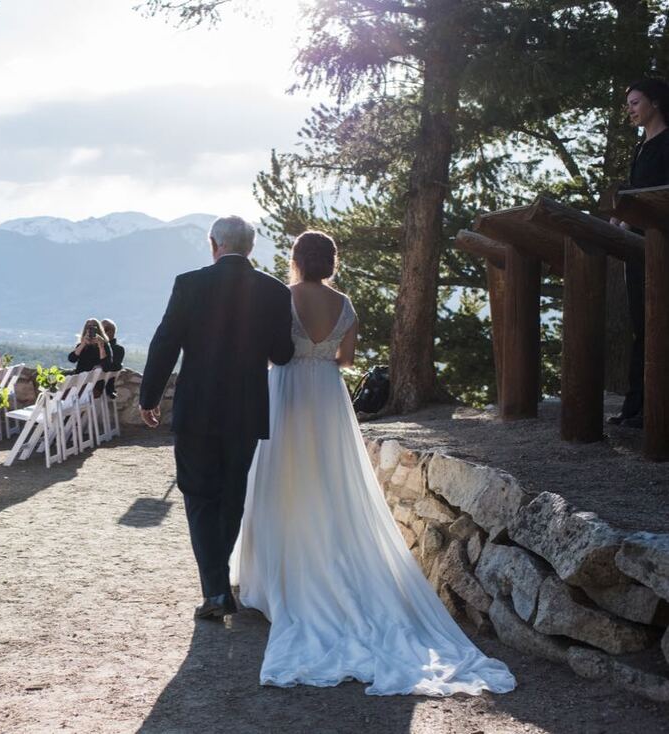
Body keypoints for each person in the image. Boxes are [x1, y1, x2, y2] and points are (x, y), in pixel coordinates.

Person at [233, 231, 515, 695]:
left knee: (281, 478)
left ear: (297, 260)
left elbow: (270, 351)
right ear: (331, 263)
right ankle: (327, 565)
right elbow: (346, 359)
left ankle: (274, 575)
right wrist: (319, 357)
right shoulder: (345, 305)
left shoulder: (282, 298)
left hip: (286, 393)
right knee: (332, 483)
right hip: (327, 396)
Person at [139, 215, 295, 620]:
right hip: (246, 407)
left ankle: (215, 590)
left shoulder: (189, 284)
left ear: (214, 244)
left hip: (198, 405)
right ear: (250, 247)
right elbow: (282, 354)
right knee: (231, 494)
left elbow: (166, 341)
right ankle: (218, 584)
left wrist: (149, 395)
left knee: (198, 493)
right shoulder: (275, 291)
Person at [610, 77, 669, 429]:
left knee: (660, 323)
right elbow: (636, 192)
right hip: (639, 249)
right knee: (641, 326)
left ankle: (654, 410)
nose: (630, 109)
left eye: (635, 102)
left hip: (662, 248)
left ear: (655, 102)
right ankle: (635, 408)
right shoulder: (641, 147)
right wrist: (620, 216)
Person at [100, 319, 124, 398]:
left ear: (111, 332)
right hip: (108, 388)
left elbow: (107, 367)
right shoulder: (120, 349)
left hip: (100, 387)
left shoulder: (116, 349)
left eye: (103, 330)